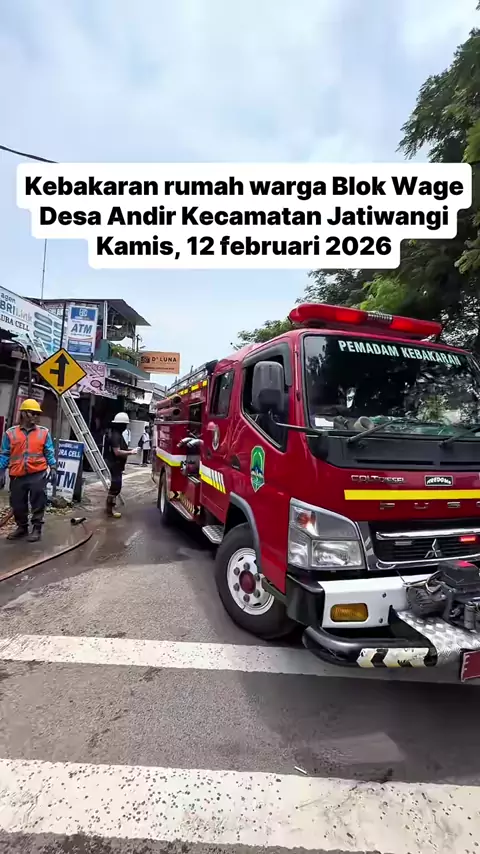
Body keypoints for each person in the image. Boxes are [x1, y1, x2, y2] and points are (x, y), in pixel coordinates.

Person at [0, 399, 56, 542]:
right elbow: (5, 454)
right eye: (32, 413)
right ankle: (22, 528)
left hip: (38, 473)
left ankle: (37, 528)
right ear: (23, 413)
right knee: (18, 504)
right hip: (17, 475)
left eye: (37, 414)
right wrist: (1, 471)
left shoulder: (43, 433)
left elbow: (49, 451)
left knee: (38, 502)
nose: (35, 416)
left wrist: (53, 467)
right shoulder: (10, 433)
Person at [103, 412, 137, 518]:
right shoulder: (115, 435)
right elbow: (117, 452)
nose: (125, 426)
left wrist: (130, 450)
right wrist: (131, 453)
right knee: (115, 487)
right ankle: (110, 509)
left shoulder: (117, 434)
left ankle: (110, 508)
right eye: (125, 424)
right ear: (120, 425)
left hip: (117, 464)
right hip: (114, 464)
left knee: (116, 487)